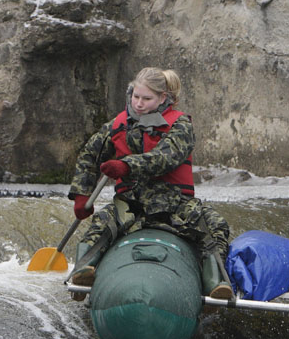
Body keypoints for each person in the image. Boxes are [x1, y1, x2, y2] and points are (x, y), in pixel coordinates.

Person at [67, 67, 233, 300]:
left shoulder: (180, 125)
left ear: (162, 98)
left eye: (147, 99)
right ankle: (83, 272)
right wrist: (82, 194)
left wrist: (126, 166)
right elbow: (89, 156)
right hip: (131, 203)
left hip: (175, 204)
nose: (139, 104)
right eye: (136, 97)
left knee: (215, 226)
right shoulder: (117, 125)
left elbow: (165, 157)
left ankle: (215, 284)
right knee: (101, 224)